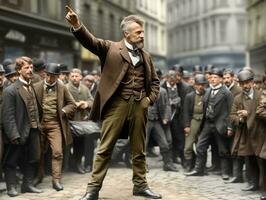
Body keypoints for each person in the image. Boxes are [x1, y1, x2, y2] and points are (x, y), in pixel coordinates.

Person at [65, 5, 161, 200]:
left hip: (139, 106)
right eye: (138, 32)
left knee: (139, 150)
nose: (142, 35)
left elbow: (156, 82)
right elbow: (90, 41)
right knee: (105, 148)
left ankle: (141, 186)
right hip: (116, 105)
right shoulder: (110, 48)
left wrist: (148, 100)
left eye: (143, 32)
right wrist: (77, 25)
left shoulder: (146, 56)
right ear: (126, 33)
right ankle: (92, 190)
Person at [2, 56, 43, 197]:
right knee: (12, 160)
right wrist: (13, 134)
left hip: (33, 129)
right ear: (19, 70)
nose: (30, 70)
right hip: (18, 131)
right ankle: (11, 187)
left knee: (33, 158)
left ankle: (27, 185)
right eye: (26, 67)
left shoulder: (32, 87)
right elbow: (8, 116)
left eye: (31, 67)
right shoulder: (10, 90)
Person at [34, 63, 76, 191]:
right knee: (38, 152)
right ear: (44, 74)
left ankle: (56, 180)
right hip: (40, 125)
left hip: (55, 125)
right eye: (48, 75)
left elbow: (72, 104)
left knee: (57, 152)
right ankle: (39, 176)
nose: (50, 79)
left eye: (53, 76)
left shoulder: (62, 87)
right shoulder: (36, 87)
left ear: (58, 77)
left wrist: (63, 111)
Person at [185, 68, 233, 179]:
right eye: (211, 77)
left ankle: (225, 172)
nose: (213, 79)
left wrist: (230, 127)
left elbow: (231, 111)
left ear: (221, 79)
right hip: (207, 123)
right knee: (200, 146)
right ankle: (198, 169)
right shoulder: (207, 91)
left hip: (220, 124)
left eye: (215, 77)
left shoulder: (226, 93)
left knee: (223, 149)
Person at [66, 68, 94, 174]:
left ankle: (77, 164)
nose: (74, 78)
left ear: (81, 77)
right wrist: (74, 105)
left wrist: (86, 104)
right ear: (69, 77)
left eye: (76, 76)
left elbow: (92, 100)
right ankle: (70, 164)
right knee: (69, 145)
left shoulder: (84, 89)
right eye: (72, 76)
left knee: (80, 144)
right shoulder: (65, 88)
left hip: (82, 121)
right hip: (70, 121)